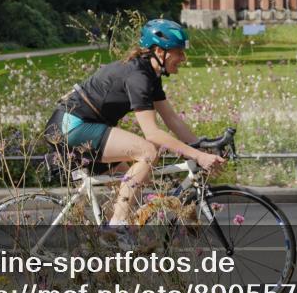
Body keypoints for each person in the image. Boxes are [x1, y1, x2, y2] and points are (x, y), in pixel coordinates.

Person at [44, 19, 225, 228]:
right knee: (147, 152)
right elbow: (153, 134)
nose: (183, 58)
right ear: (159, 51)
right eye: (178, 52)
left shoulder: (150, 74)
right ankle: (117, 228)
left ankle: (109, 243)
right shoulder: (138, 76)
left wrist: (200, 147)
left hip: (86, 127)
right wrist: (198, 156)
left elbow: (172, 119)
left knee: (134, 188)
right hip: (71, 126)